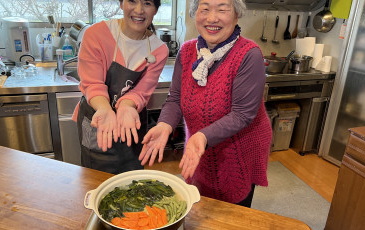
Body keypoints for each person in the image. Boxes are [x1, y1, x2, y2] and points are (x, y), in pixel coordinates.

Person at [139, 0, 272, 207]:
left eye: (222, 9)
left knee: (231, 213)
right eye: (205, 8)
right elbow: (175, 98)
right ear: (195, 14)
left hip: (239, 147)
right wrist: (164, 124)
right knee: (201, 206)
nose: (212, 18)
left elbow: (242, 114)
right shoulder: (187, 51)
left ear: (236, 14)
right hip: (199, 143)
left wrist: (202, 136)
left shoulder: (249, 54)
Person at [73, 0, 169, 174]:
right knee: (96, 179)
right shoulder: (96, 34)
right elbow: (92, 83)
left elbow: (141, 91)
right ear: (121, 3)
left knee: (132, 178)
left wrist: (126, 105)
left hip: (130, 122)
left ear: (156, 9)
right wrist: (104, 108)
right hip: (97, 120)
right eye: (132, 1)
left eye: (147, 3)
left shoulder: (158, 50)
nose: (139, 10)